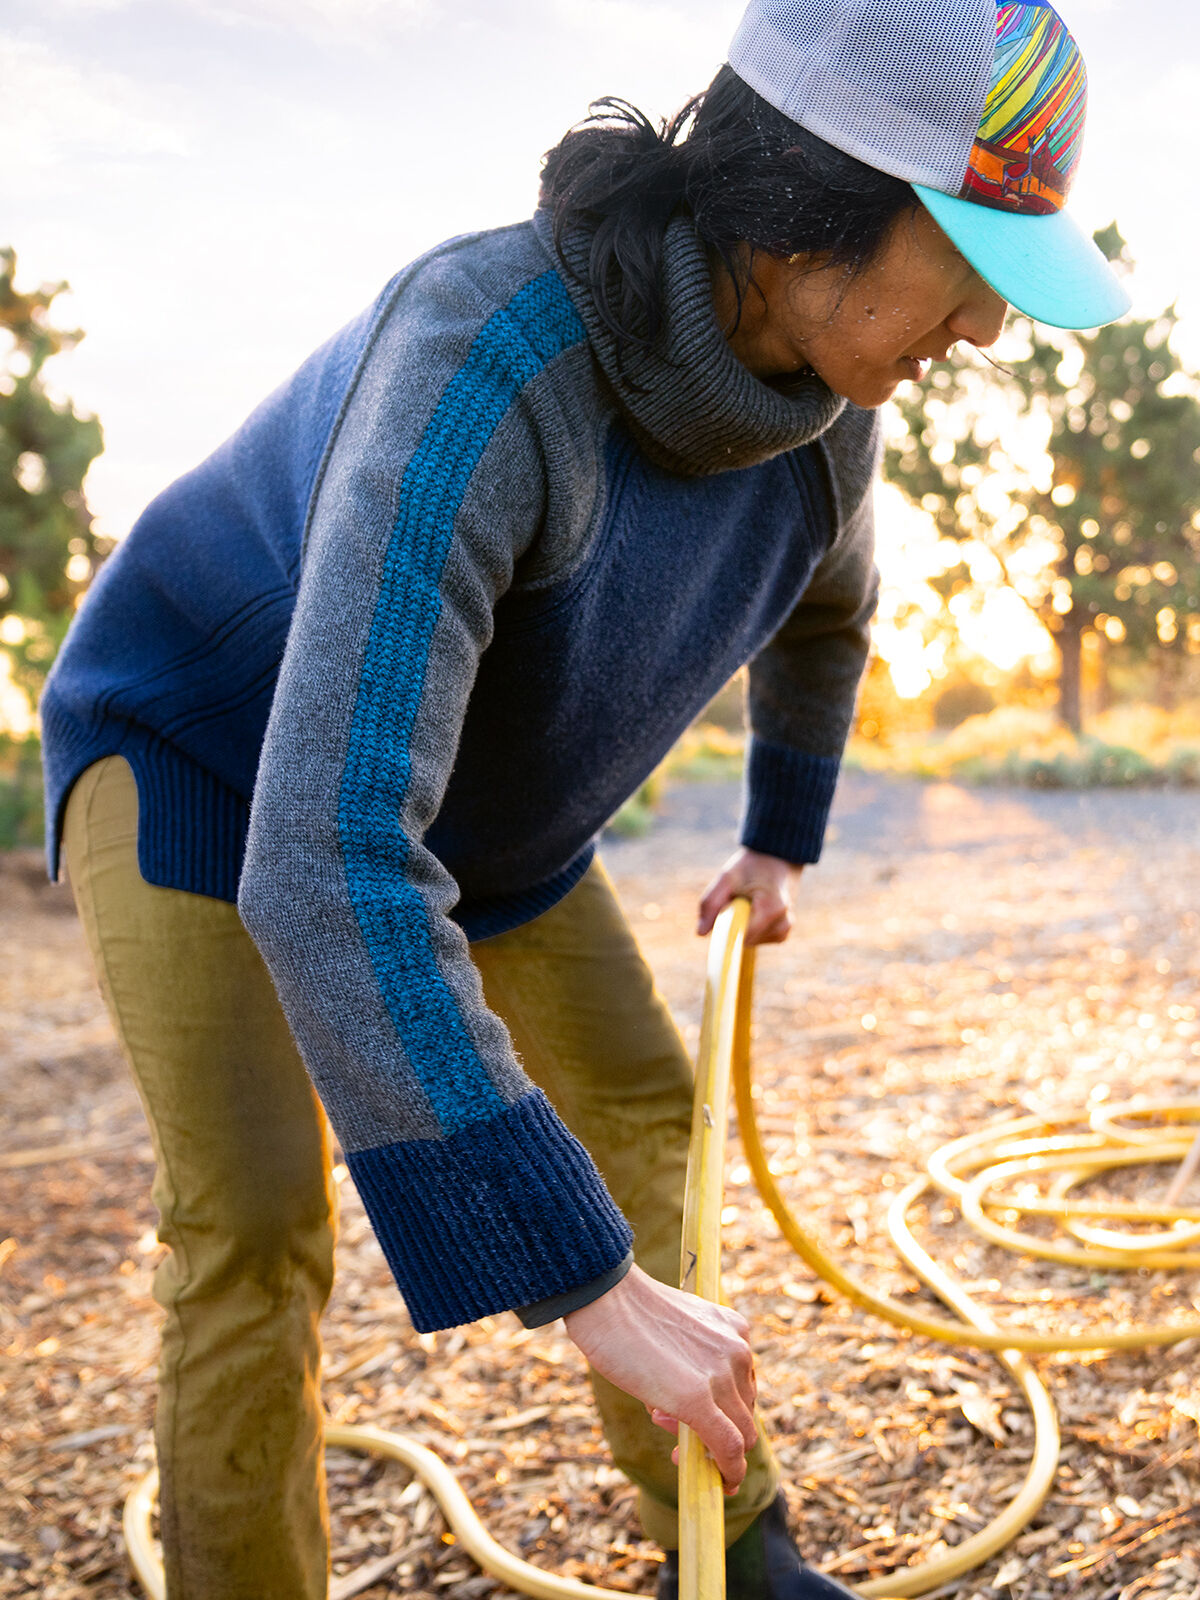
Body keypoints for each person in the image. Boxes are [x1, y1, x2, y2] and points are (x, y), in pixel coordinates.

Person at [41, 1, 1128, 1596]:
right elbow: (328, 849)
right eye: (968, 265)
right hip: (208, 763)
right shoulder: (487, 362)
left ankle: (732, 1550)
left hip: (491, 819)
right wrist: (588, 1285)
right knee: (257, 1230)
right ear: (810, 198)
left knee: (645, 1119)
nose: (986, 330)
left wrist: (780, 830)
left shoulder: (829, 426)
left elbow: (830, 615)